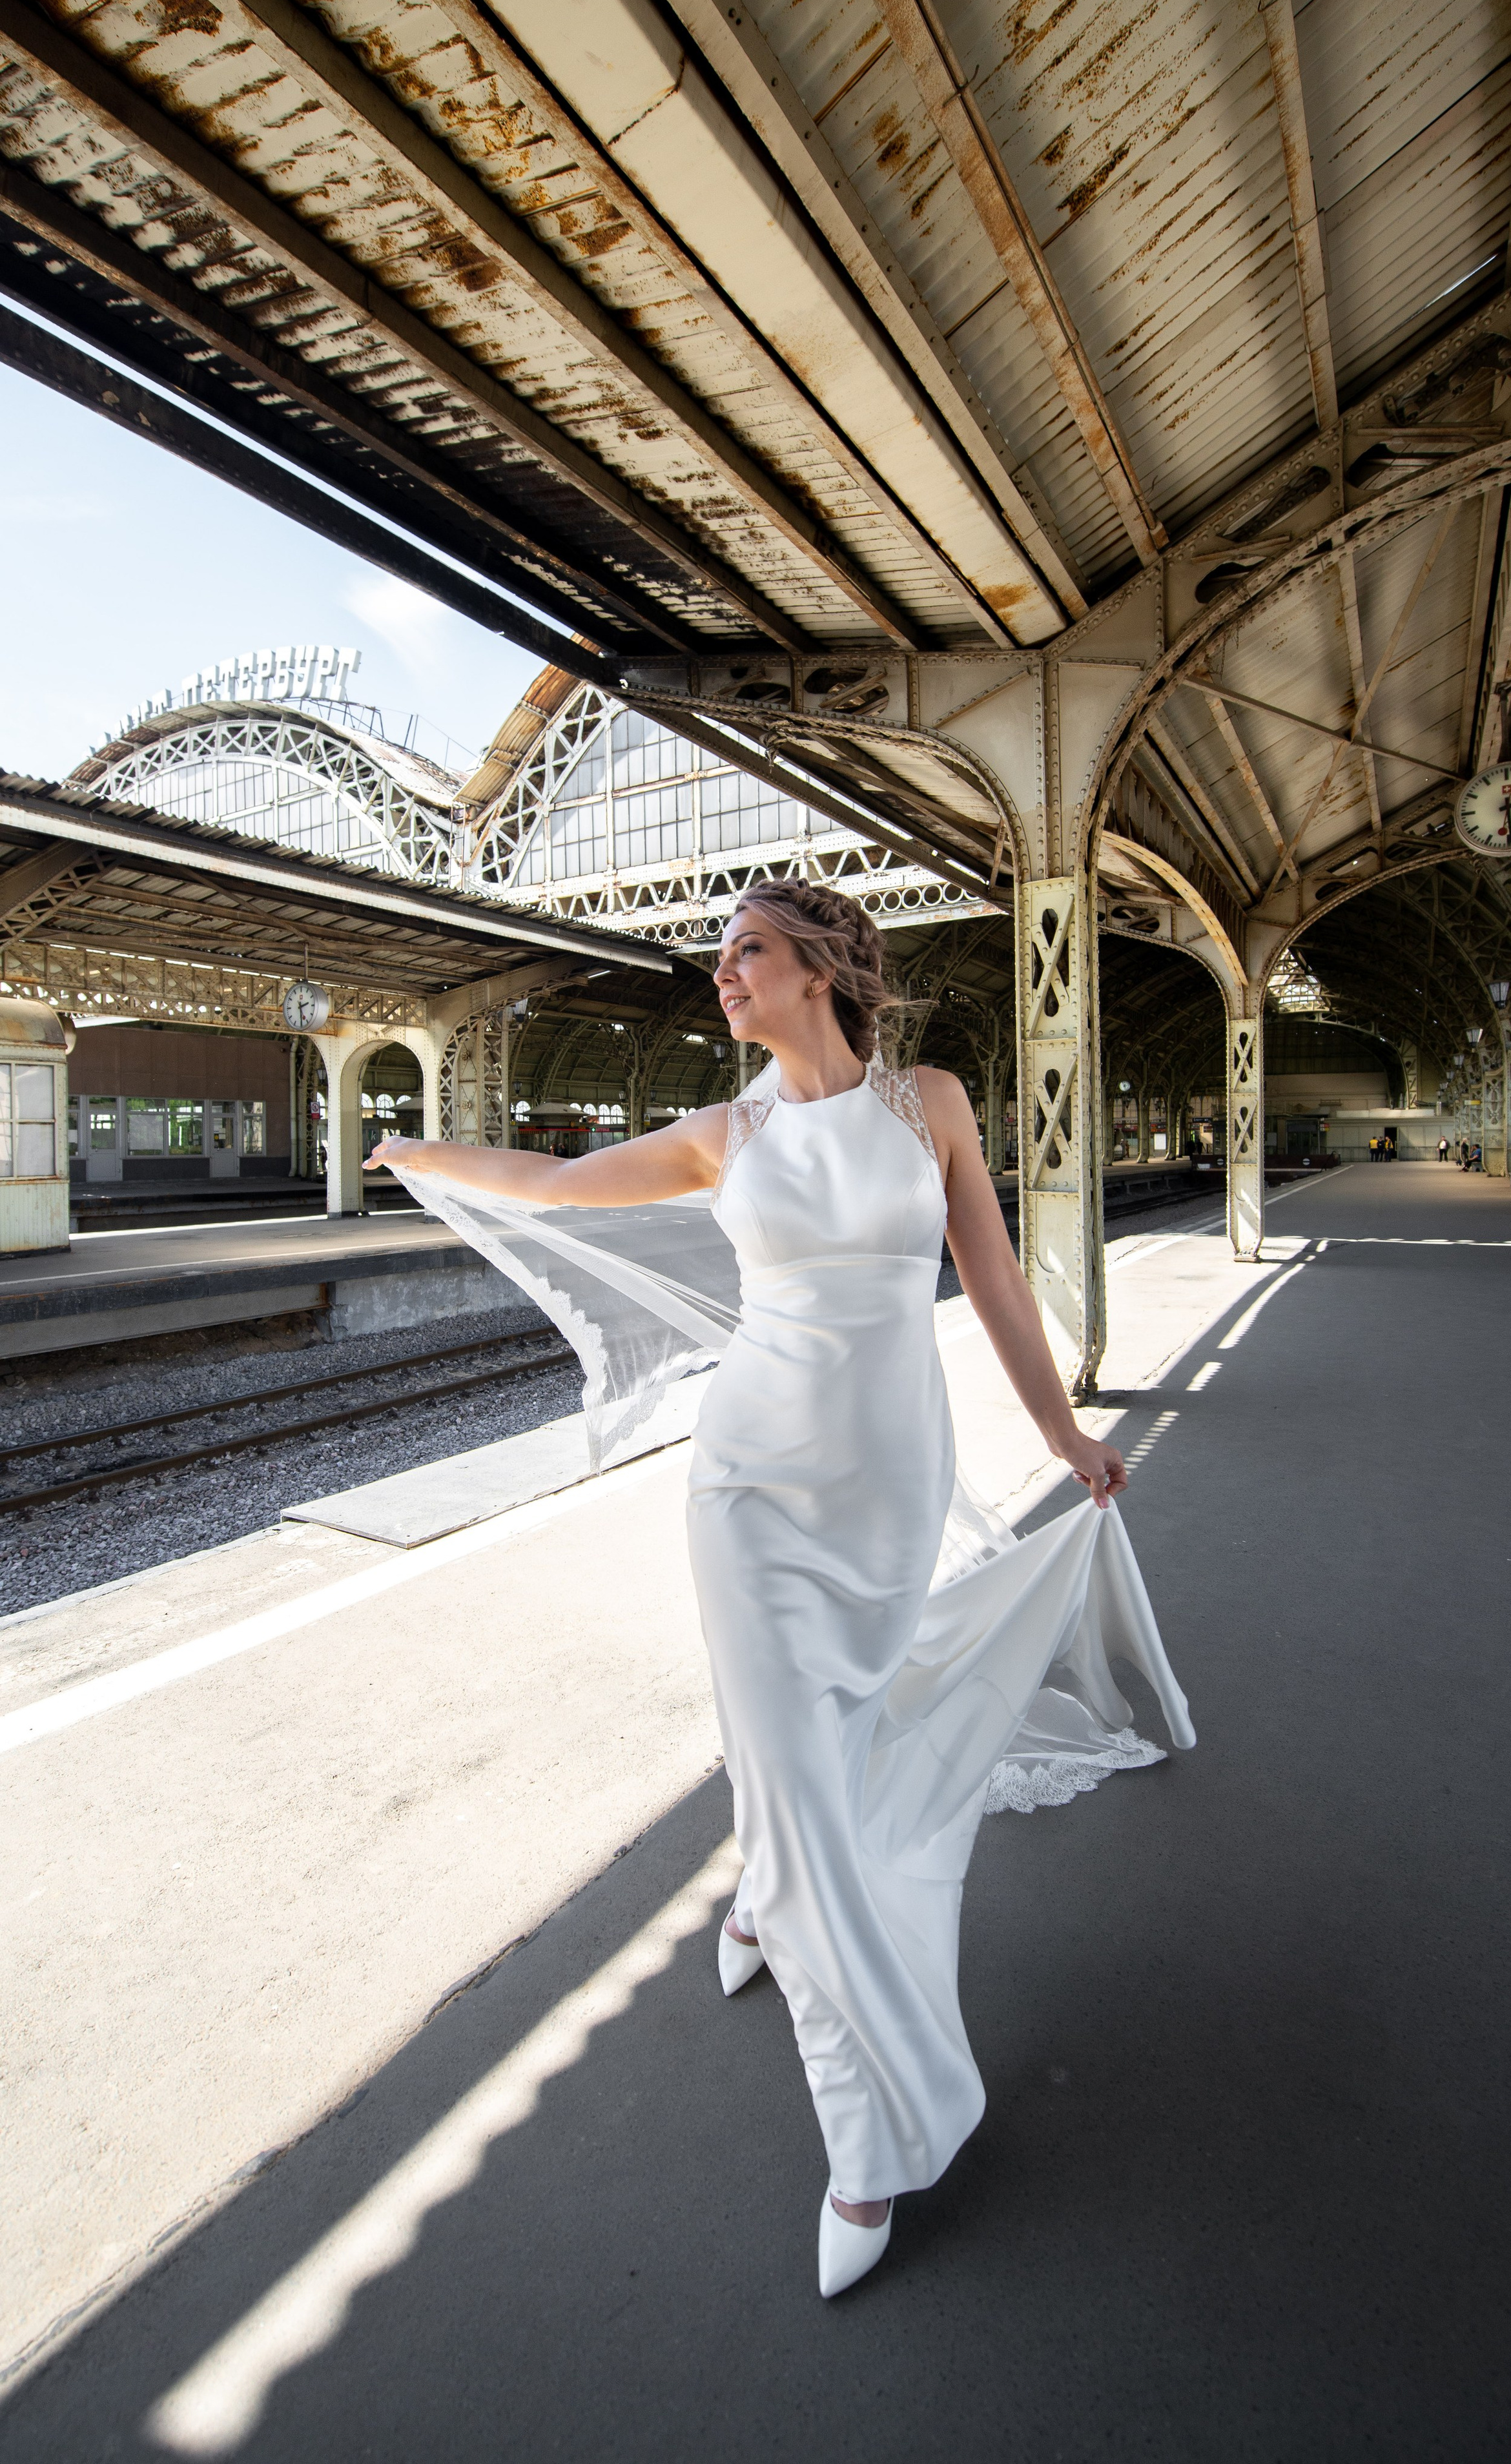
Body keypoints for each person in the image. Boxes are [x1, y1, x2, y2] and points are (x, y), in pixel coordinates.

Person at [367, 881, 1189, 2299]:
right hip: (749, 1487)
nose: (721, 974)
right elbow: (556, 1186)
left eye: (744, 950)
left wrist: (1063, 1436)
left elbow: (994, 1281)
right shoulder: (722, 1134)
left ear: (818, 967)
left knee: (834, 1736)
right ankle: (870, 2131)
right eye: (719, 957)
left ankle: (756, 1894)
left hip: (890, 1484)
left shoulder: (931, 1105)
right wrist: (415, 1147)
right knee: (796, 1774)